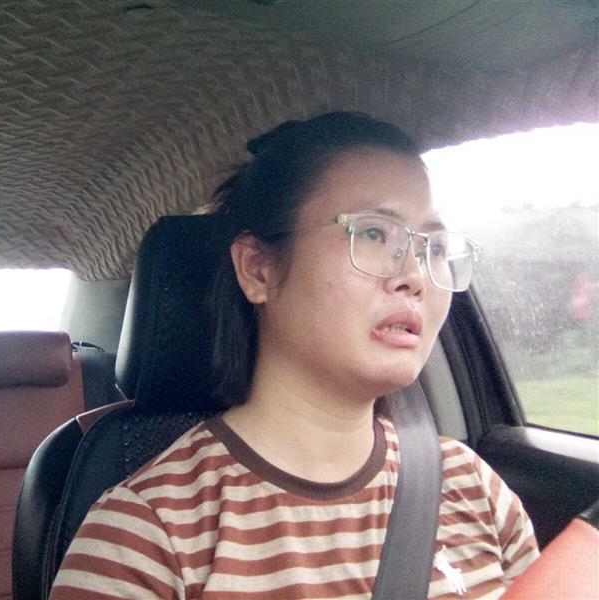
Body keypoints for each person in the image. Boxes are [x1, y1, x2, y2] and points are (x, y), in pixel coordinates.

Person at [49, 112, 539, 599]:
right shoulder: (141, 540)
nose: (415, 276)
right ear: (258, 269)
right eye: (373, 233)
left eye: (434, 248)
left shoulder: (473, 487)